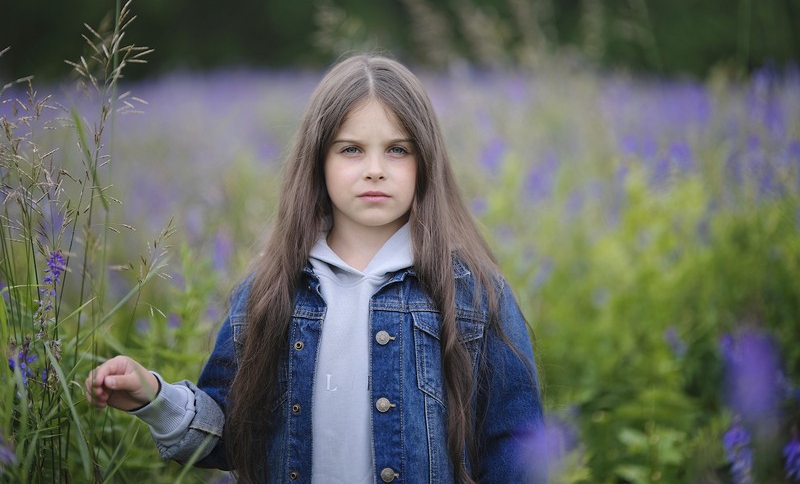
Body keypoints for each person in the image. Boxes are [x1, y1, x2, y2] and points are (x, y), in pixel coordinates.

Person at [85, 54, 544, 483]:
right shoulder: (270, 292)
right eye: (351, 150)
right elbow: (229, 436)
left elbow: (517, 448)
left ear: (426, 161)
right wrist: (155, 398)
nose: (375, 169)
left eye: (398, 150)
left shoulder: (474, 295)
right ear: (318, 160)